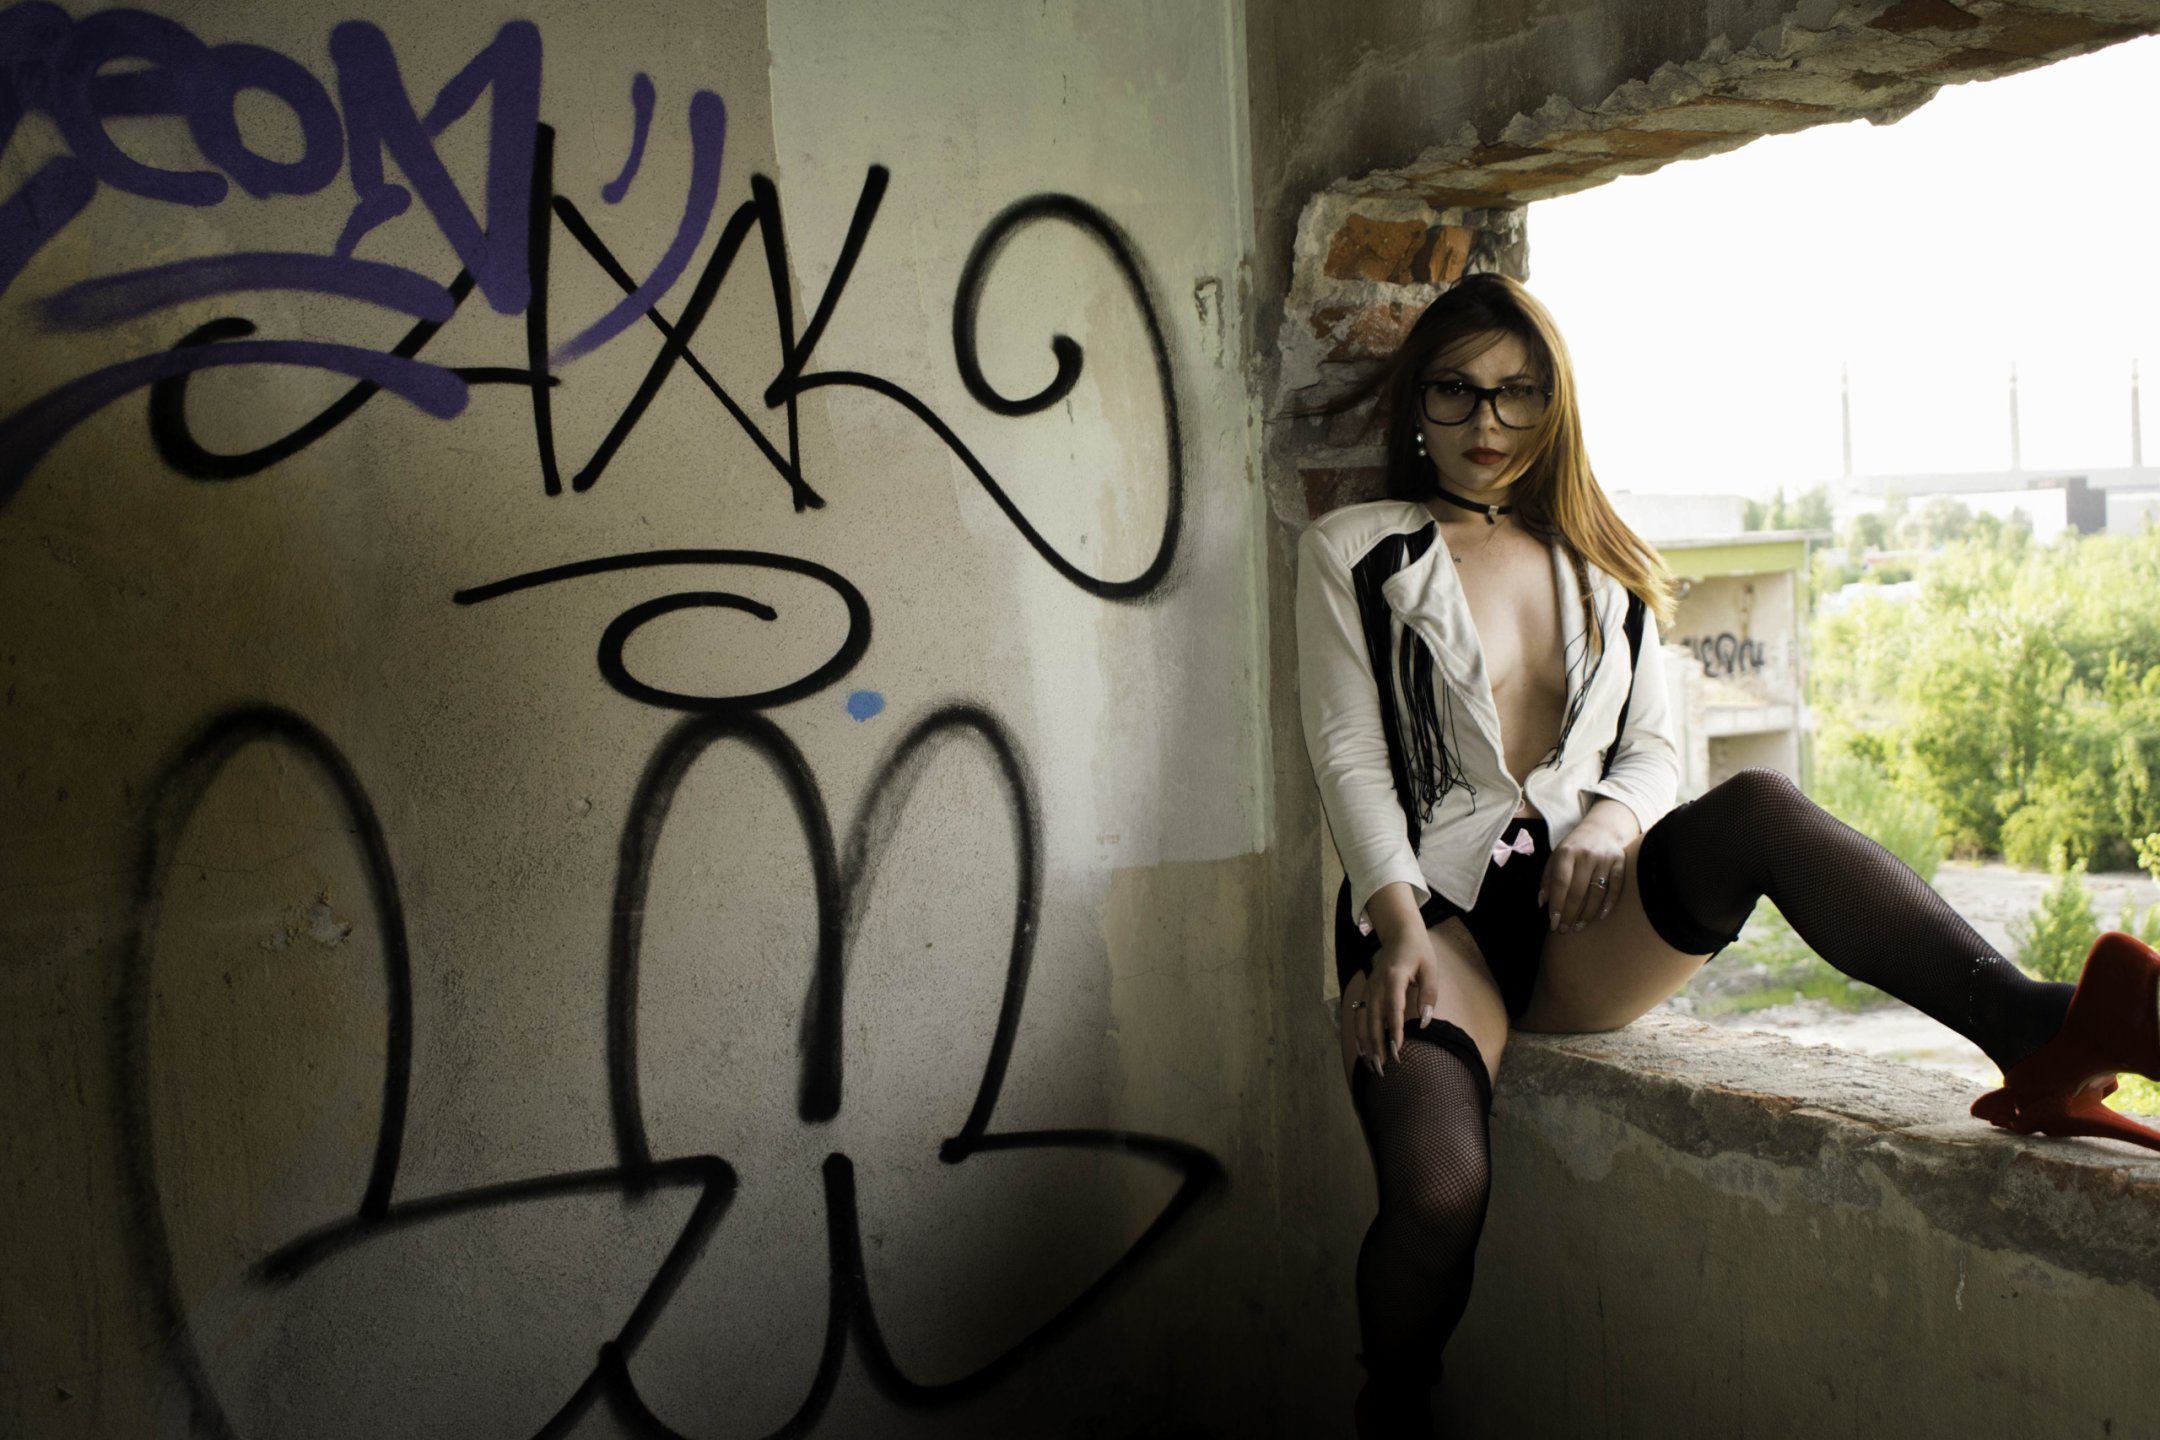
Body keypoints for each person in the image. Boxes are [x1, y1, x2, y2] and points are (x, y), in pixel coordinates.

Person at [1293, 272, 2160, 1439]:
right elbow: (1348, 751)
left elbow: (1655, 749)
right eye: (1456, 391)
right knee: (1439, 1191)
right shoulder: (1356, 551)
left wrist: (1613, 820)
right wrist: (1394, 929)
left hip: (1577, 913)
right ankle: (1395, 1401)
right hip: (1434, 918)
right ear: (1416, 405)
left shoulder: (1607, 568)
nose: (1487, 422)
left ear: (1556, 405)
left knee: (1758, 805)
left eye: (1517, 392)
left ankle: (2036, 1028)